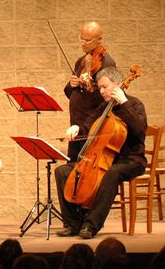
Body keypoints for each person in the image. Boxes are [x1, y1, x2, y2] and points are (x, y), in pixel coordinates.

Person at [55, 66, 147, 239]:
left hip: (131, 160)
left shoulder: (134, 104)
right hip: (103, 160)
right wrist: (76, 128)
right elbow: (88, 127)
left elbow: (140, 129)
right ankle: (73, 224)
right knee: (62, 171)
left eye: (105, 86)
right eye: (100, 87)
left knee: (111, 174)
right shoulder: (104, 107)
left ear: (118, 84)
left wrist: (124, 104)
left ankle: (90, 225)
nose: (102, 91)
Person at [63, 21, 116, 160]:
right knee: (72, 167)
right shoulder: (81, 61)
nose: (83, 43)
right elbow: (72, 94)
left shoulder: (106, 63)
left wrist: (90, 84)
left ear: (99, 40)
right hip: (76, 124)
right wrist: (73, 84)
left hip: (92, 126)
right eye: (81, 38)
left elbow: (109, 96)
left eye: (87, 40)